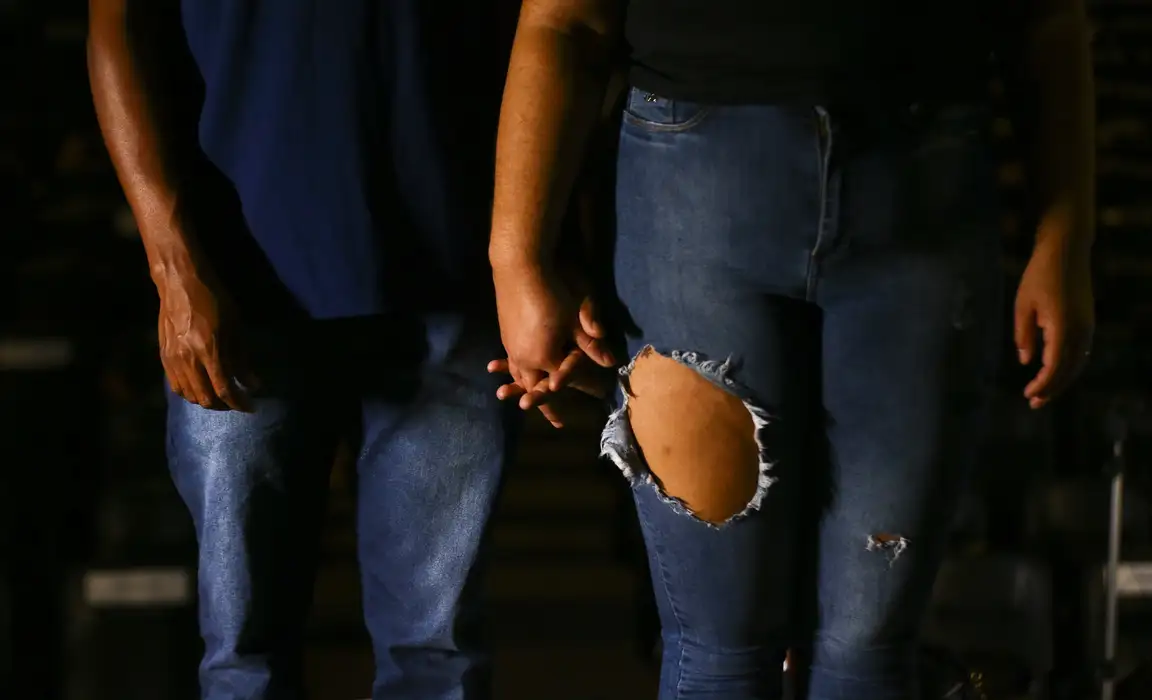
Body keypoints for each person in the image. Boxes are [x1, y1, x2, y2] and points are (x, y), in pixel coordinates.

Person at [489, 0, 1096, 697]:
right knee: (720, 648)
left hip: (923, 195)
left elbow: (1048, 20)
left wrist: (1067, 237)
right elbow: (564, 20)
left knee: (867, 650)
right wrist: (517, 259)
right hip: (695, 191)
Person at [88, 1, 520, 698]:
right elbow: (115, 23)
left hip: (453, 260)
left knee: (438, 657)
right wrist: (173, 268)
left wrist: (544, 250)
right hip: (239, 282)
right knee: (243, 660)